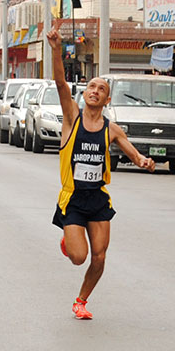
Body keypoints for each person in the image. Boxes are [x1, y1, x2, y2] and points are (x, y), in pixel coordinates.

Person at [47, 22, 155, 319]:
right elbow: (59, 84)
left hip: (97, 198)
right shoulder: (72, 118)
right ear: (84, 94)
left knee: (100, 256)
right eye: (92, 86)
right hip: (72, 198)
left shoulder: (111, 129)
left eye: (101, 89)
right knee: (79, 257)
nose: (95, 91)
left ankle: (81, 301)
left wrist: (144, 161)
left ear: (107, 100)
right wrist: (56, 50)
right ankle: (69, 242)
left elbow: (133, 153)